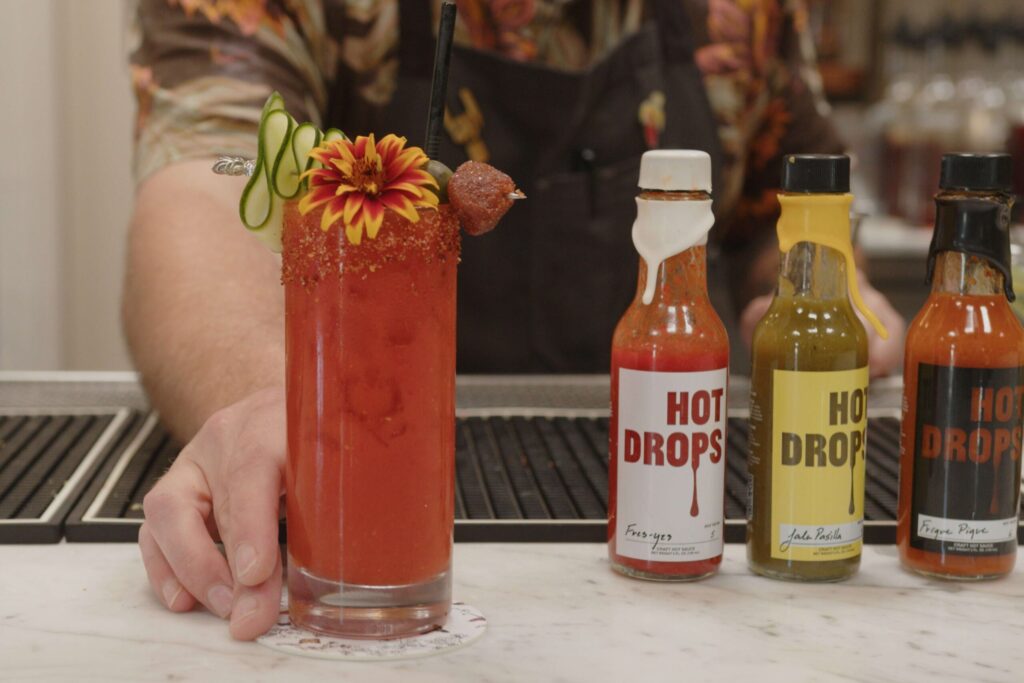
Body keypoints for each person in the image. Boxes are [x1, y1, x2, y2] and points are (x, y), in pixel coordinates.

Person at [125, 0, 905, 640]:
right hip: (376, 483)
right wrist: (281, 402)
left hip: (660, 519)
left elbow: (782, 210)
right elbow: (204, 188)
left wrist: (821, 296)